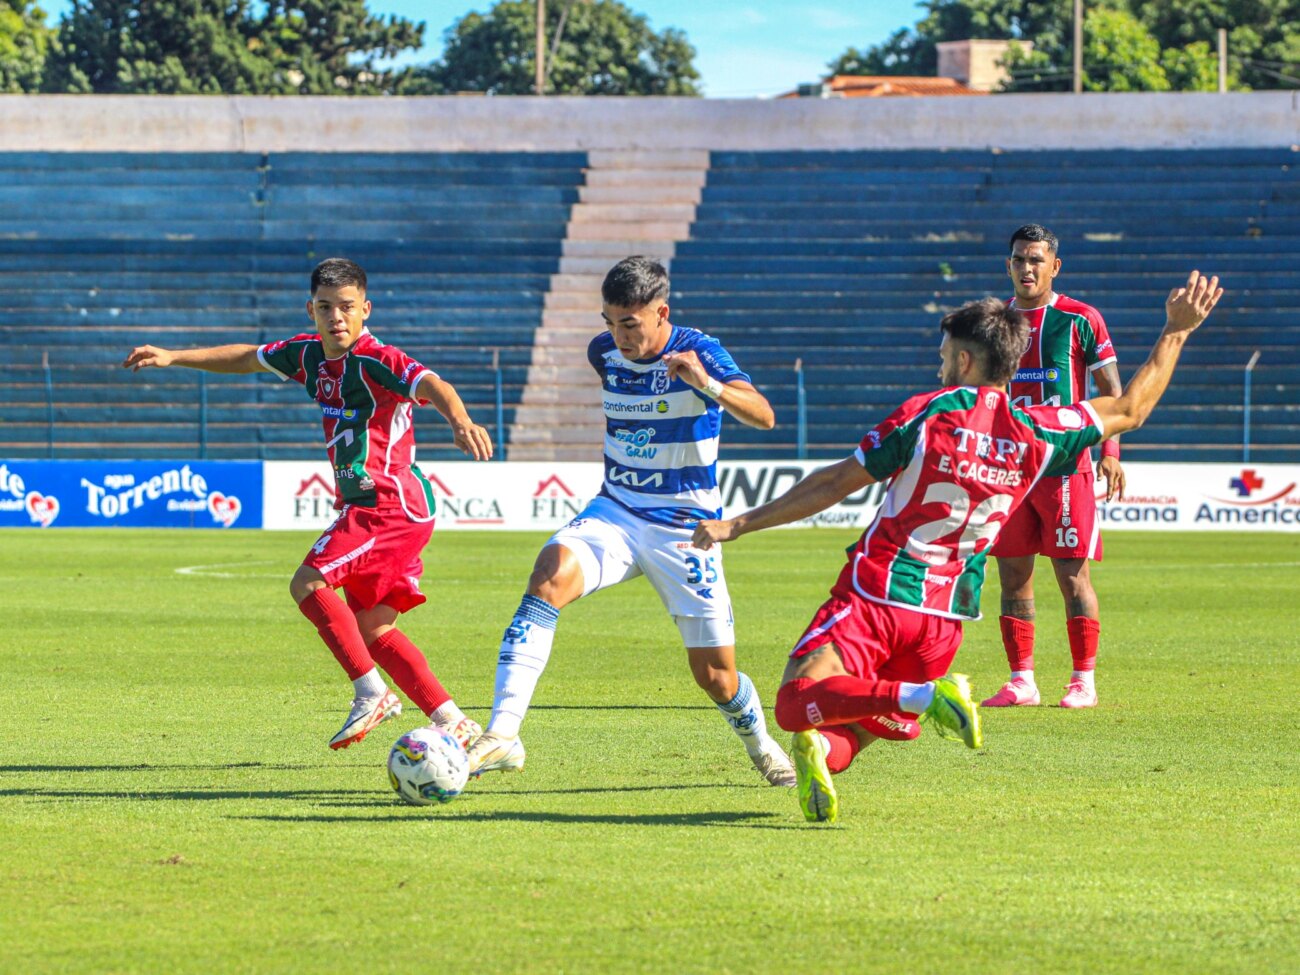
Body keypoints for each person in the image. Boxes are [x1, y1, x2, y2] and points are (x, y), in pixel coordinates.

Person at [691, 271, 1222, 823]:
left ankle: (924, 700)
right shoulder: (1037, 433)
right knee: (849, 726)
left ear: (965, 363)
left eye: (946, 355)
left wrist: (740, 524)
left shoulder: (927, 414)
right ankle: (833, 749)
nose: (940, 365)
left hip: (878, 595)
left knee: (796, 703)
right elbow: (1130, 409)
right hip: (944, 622)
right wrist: (1176, 330)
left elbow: (832, 483)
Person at [122, 258, 493, 751]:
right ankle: (454, 721)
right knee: (374, 629)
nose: (336, 318)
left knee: (308, 582)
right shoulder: (307, 355)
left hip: (389, 504)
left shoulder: (377, 358)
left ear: (365, 309)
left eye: (346, 307)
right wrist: (174, 357)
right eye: (325, 308)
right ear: (311, 310)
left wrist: (459, 419)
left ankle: (371, 693)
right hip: (376, 506)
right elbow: (247, 357)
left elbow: (431, 383)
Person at [466, 256, 796, 786]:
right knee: (548, 576)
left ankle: (762, 748)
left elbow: (764, 415)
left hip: (685, 527)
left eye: (630, 323)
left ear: (661, 312)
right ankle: (503, 732)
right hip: (615, 511)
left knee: (715, 676)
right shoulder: (604, 352)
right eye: (609, 321)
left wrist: (706, 383)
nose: (617, 336)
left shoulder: (701, 351)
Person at [986, 224, 1126, 710]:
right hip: (1008, 473)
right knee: (1012, 576)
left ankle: (1082, 679)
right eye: (1019, 259)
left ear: (1054, 266)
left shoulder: (1080, 318)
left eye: (1036, 260)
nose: (1027, 268)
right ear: (1009, 265)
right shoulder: (994, 322)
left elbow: (1112, 395)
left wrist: (1111, 453)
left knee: (1072, 575)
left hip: (1066, 467)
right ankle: (1021, 679)